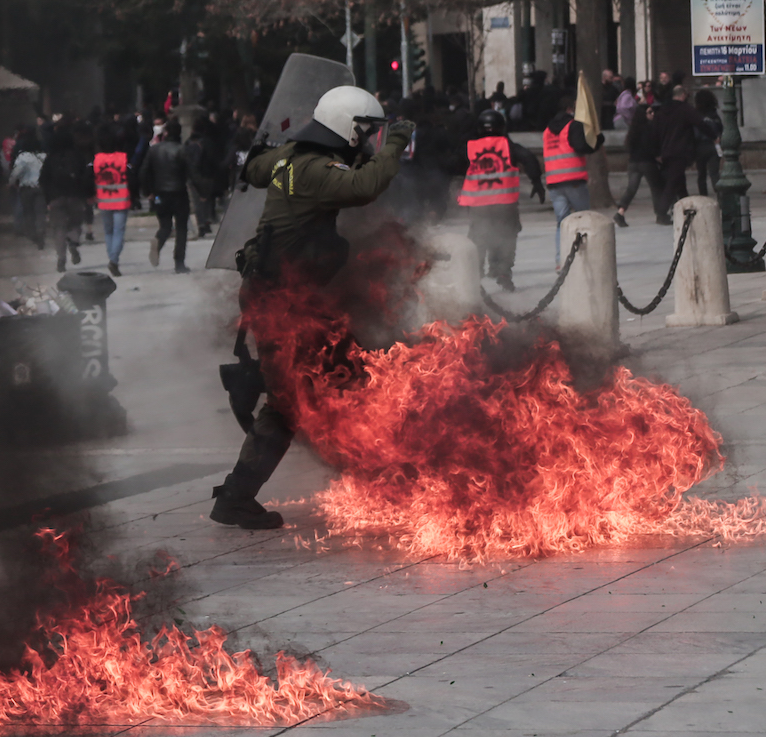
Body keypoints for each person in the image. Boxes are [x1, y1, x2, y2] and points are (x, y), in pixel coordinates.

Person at [213, 85, 414, 530]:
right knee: (316, 391)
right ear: (346, 126)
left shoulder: (289, 158)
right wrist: (396, 143)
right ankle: (236, 496)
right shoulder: (314, 169)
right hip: (283, 302)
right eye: (365, 131)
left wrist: (272, 147)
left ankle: (238, 494)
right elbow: (365, 186)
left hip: (281, 296)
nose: (367, 139)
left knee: (342, 376)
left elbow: (256, 167)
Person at [457, 109, 544, 291]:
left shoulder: (470, 147)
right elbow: (529, 158)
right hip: (505, 204)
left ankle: (475, 274)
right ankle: (503, 274)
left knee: (478, 239)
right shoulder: (508, 146)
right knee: (507, 237)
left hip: (478, 206)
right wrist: (536, 181)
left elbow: (452, 164)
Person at [543, 93, 604, 262]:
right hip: (574, 179)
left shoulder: (547, 130)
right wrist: (597, 140)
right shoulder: (573, 125)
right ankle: (587, 259)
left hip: (554, 182)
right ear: (570, 108)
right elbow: (581, 146)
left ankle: (560, 260)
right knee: (583, 218)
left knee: (561, 222)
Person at [650, 85, 716, 225]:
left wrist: (656, 152)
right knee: (673, 182)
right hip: (680, 151)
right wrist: (713, 135)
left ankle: (686, 209)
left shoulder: (661, 111)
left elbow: (654, 133)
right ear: (683, 95)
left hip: (666, 151)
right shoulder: (685, 110)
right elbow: (700, 123)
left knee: (679, 183)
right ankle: (661, 212)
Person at [139, 118, 191, 274]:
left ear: (166, 133)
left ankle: (159, 239)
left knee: (165, 225)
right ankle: (179, 262)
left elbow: (143, 172)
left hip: (159, 194)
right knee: (182, 228)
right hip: (179, 192)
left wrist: (148, 191)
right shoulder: (182, 150)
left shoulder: (154, 150)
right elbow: (191, 172)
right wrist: (202, 191)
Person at [40, 124, 92, 273]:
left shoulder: (50, 159)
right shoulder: (78, 156)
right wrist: (86, 194)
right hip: (75, 196)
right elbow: (86, 177)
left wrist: (48, 200)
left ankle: (61, 258)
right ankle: (74, 241)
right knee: (76, 223)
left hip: (56, 198)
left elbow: (43, 180)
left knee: (59, 229)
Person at [614, 104, 664, 228]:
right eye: (649, 112)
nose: (652, 114)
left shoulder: (633, 130)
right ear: (644, 115)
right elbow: (652, 147)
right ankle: (660, 214)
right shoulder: (649, 128)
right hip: (647, 162)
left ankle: (620, 212)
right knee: (656, 188)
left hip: (633, 163)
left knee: (631, 189)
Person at [93, 129, 130, 277]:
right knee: (119, 231)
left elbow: (90, 178)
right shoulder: (123, 158)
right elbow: (131, 177)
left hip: (104, 201)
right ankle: (114, 260)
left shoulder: (96, 159)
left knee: (108, 232)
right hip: (121, 201)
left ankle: (112, 258)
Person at [8, 129, 46, 248]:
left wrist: (11, 183)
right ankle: (41, 233)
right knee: (41, 213)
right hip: (40, 188)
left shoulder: (22, 157)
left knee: (29, 213)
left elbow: (16, 173)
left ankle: (33, 234)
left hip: (26, 188)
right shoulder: (44, 157)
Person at [693, 88, 723, 198]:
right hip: (713, 145)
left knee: (701, 175)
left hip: (699, 146)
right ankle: (720, 196)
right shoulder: (714, 115)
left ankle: (703, 197)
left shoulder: (696, 114)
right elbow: (720, 128)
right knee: (714, 173)